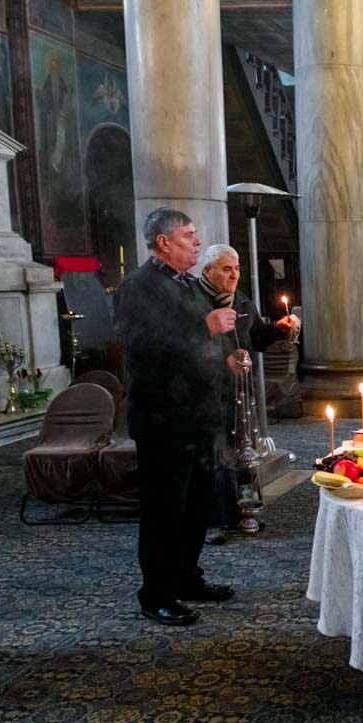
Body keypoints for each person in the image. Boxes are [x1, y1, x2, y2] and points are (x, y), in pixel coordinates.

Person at [112, 209, 238, 627]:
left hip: (199, 416)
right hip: (163, 420)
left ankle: (186, 576)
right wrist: (206, 328)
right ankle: (157, 593)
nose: (197, 242)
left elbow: (199, 346)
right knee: (165, 511)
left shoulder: (188, 284)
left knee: (197, 506)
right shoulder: (138, 287)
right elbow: (144, 344)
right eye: (188, 235)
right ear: (163, 242)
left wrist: (227, 357)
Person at [194, 243, 299, 542]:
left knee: (243, 451)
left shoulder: (241, 301)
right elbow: (188, 345)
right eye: (226, 269)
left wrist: (278, 329)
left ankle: (243, 511)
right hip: (207, 393)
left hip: (242, 391)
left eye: (237, 269)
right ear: (207, 271)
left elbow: (258, 339)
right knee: (215, 456)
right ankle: (214, 520)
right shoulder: (194, 302)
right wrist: (222, 359)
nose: (234, 275)